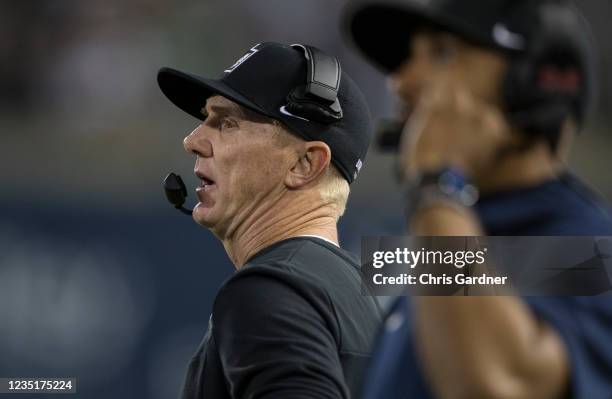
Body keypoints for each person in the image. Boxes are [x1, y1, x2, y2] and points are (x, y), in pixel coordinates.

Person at [345, 0, 612, 398]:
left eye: (442, 53)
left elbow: (494, 385)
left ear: (532, 83)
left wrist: (438, 183)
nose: (400, 82)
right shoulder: (436, 228)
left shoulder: (589, 248)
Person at [157, 42, 382, 398]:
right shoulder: (366, 301)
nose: (193, 140)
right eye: (205, 118)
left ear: (305, 164)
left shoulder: (270, 289)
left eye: (227, 123)